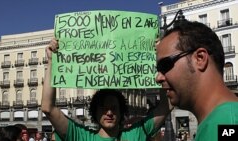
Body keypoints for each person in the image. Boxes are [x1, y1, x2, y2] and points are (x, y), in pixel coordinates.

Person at [41, 39, 173, 141]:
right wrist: (51, 61)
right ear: (95, 111)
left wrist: (160, 58)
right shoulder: (81, 136)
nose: (109, 112)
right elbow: (48, 107)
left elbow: (165, 106)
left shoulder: (136, 134)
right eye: (104, 108)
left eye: (114, 108)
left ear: (122, 112)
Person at [155, 20, 238, 141]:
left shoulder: (229, 123)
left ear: (200, 58)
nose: (158, 78)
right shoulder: (219, 122)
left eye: (165, 65)